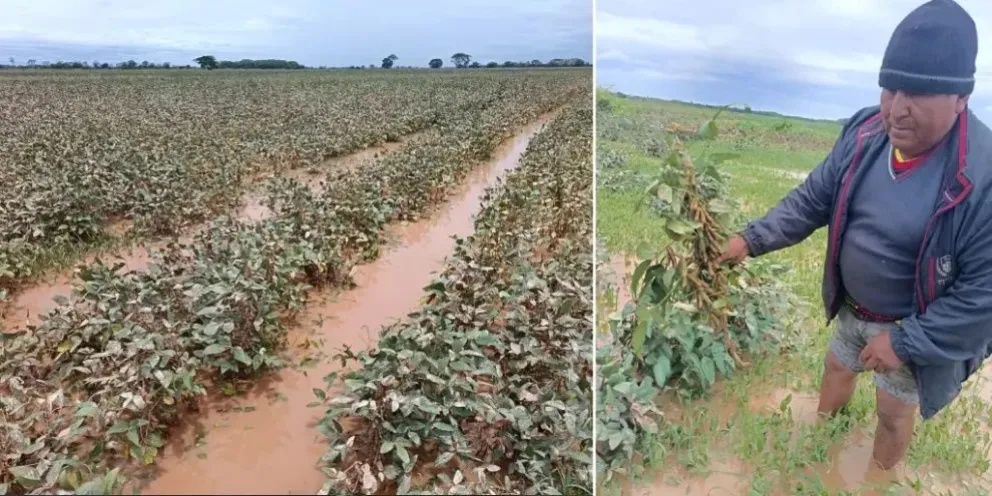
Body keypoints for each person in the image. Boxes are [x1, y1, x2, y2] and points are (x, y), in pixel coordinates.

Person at [717, 0, 992, 471]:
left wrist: (903, 343)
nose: (898, 110)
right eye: (890, 89)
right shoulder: (866, 132)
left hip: (915, 328)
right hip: (854, 307)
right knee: (837, 369)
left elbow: (983, 296)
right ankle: (821, 448)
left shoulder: (980, 176)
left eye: (919, 95)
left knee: (891, 413)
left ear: (961, 99)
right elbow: (812, 200)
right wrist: (749, 240)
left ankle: (875, 478)